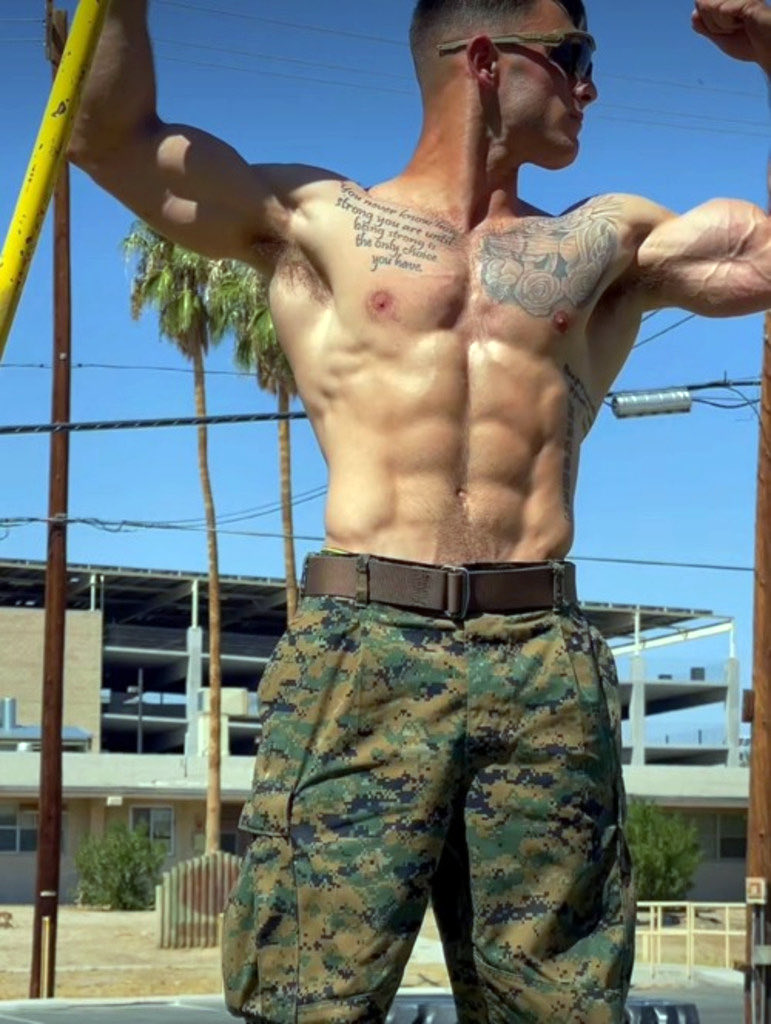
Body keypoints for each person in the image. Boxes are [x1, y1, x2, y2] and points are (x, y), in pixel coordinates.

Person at [70, 0, 771, 1020]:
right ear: (485, 59)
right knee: (309, 1000)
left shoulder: (607, 239)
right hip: (363, 647)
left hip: (538, 652)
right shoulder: (319, 221)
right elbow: (112, 141)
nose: (590, 86)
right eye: (572, 55)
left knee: (561, 1007)